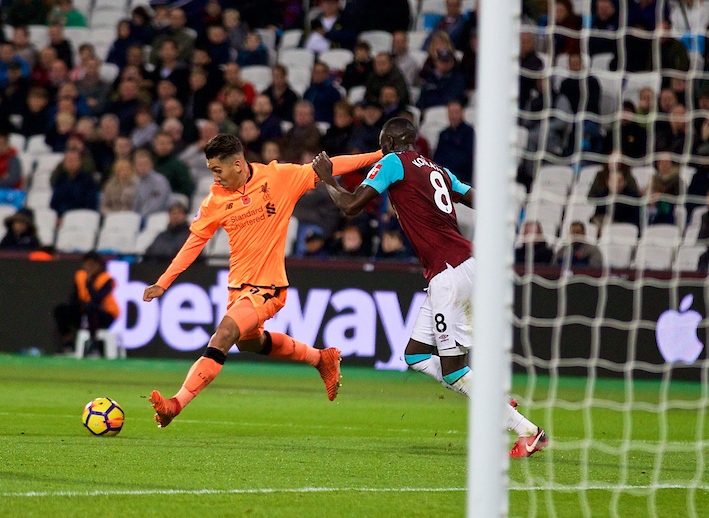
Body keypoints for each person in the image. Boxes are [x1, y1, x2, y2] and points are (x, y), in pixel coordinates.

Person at [311, 117, 547, 457]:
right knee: (417, 355)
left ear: (390, 143)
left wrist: (328, 179)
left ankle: (527, 431)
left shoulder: (392, 163)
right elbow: (477, 198)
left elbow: (350, 206)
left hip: (449, 275)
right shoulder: (437, 169)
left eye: (382, 144)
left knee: (454, 373)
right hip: (462, 266)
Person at [142, 133, 382, 427]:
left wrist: (381, 154)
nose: (215, 179)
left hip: (268, 288)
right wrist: (164, 282)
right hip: (238, 289)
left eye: (218, 170)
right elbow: (195, 242)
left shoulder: (278, 178)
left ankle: (175, 404)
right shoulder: (216, 199)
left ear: (239, 165)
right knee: (251, 344)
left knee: (224, 334)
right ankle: (321, 358)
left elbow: (330, 166)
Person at [54, 251, 120, 356]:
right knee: (61, 310)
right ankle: (68, 344)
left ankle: (94, 345)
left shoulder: (107, 279)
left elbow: (97, 299)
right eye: (87, 264)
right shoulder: (80, 276)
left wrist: (89, 283)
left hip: (106, 315)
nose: (90, 267)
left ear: (99, 266)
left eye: (93, 265)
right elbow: (74, 298)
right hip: (85, 311)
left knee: (91, 308)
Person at [144, 195, 191, 260]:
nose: (175, 216)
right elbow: (148, 255)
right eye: (173, 213)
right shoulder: (161, 236)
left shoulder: (191, 238)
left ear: (185, 215)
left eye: (179, 213)